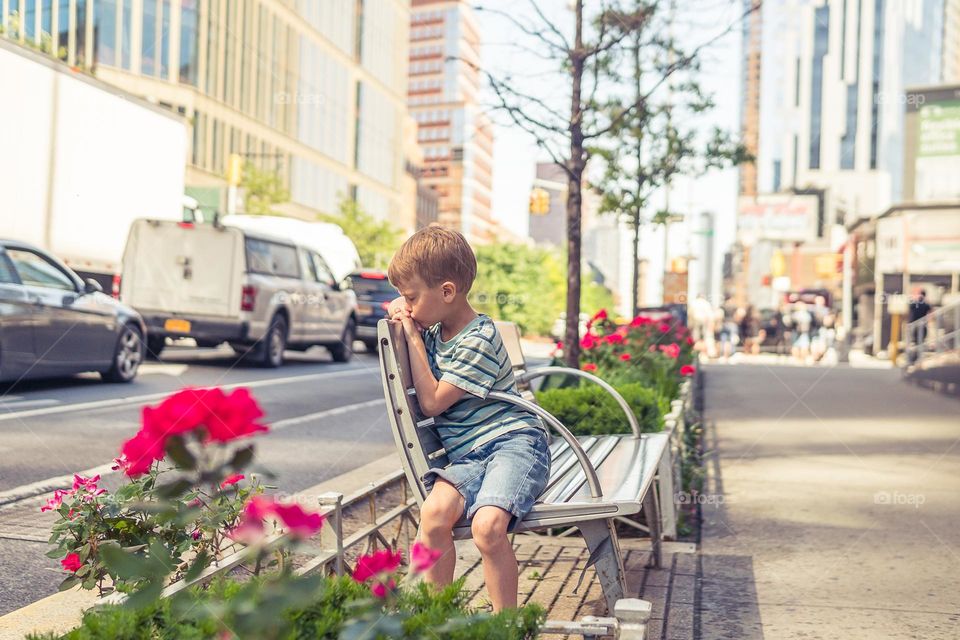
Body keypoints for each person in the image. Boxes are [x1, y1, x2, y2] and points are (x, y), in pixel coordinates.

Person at [385, 226, 551, 612]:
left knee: (487, 528)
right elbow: (403, 318)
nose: (406, 306)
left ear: (446, 292)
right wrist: (403, 312)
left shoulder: (478, 339)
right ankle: (437, 619)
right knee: (433, 514)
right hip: (469, 458)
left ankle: (506, 626)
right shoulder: (436, 330)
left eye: (411, 297)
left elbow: (431, 402)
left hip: (514, 447)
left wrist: (410, 334)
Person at [908, 288, 932, 363]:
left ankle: (913, 358)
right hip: (923, 325)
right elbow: (931, 313)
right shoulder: (926, 304)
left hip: (915, 325)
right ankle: (917, 358)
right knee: (921, 342)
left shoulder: (914, 303)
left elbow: (909, 311)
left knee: (915, 342)